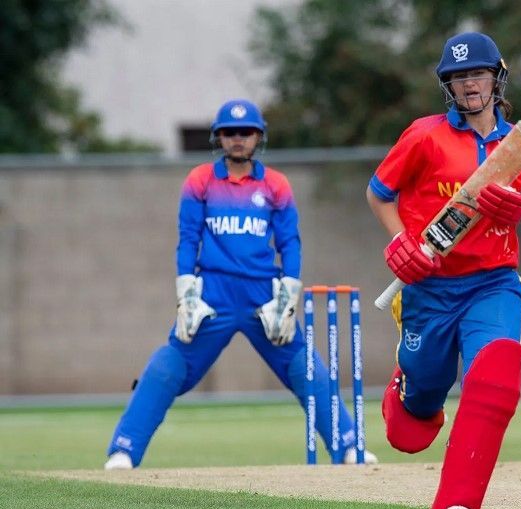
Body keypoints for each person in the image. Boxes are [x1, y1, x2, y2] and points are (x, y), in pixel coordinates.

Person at [104, 99, 376, 469]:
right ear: (219, 137)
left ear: (258, 137)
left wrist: (287, 295)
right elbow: (188, 238)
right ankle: (124, 449)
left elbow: (289, 243)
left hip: (264, 293)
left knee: (305, 366)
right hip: (213, 292)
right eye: (229, 133)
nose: (237, 139)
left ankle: (347, 446)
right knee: (167, 367)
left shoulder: (275, 184)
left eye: (245, 132)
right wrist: (186, 293)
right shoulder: (200, 180)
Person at [366, 31, 521, 509]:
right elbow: (379, 194)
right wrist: (399, 243)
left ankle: (458, 500)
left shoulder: (519, 147)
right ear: (447, 87)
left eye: (476, 74)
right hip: (429, 288)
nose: (468, 85)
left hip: (492, 283)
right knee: (411, 428)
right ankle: (412, 391)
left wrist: (520, 210)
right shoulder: (424, 135)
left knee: (494, 375)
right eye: (457, 78)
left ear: (496, 78)